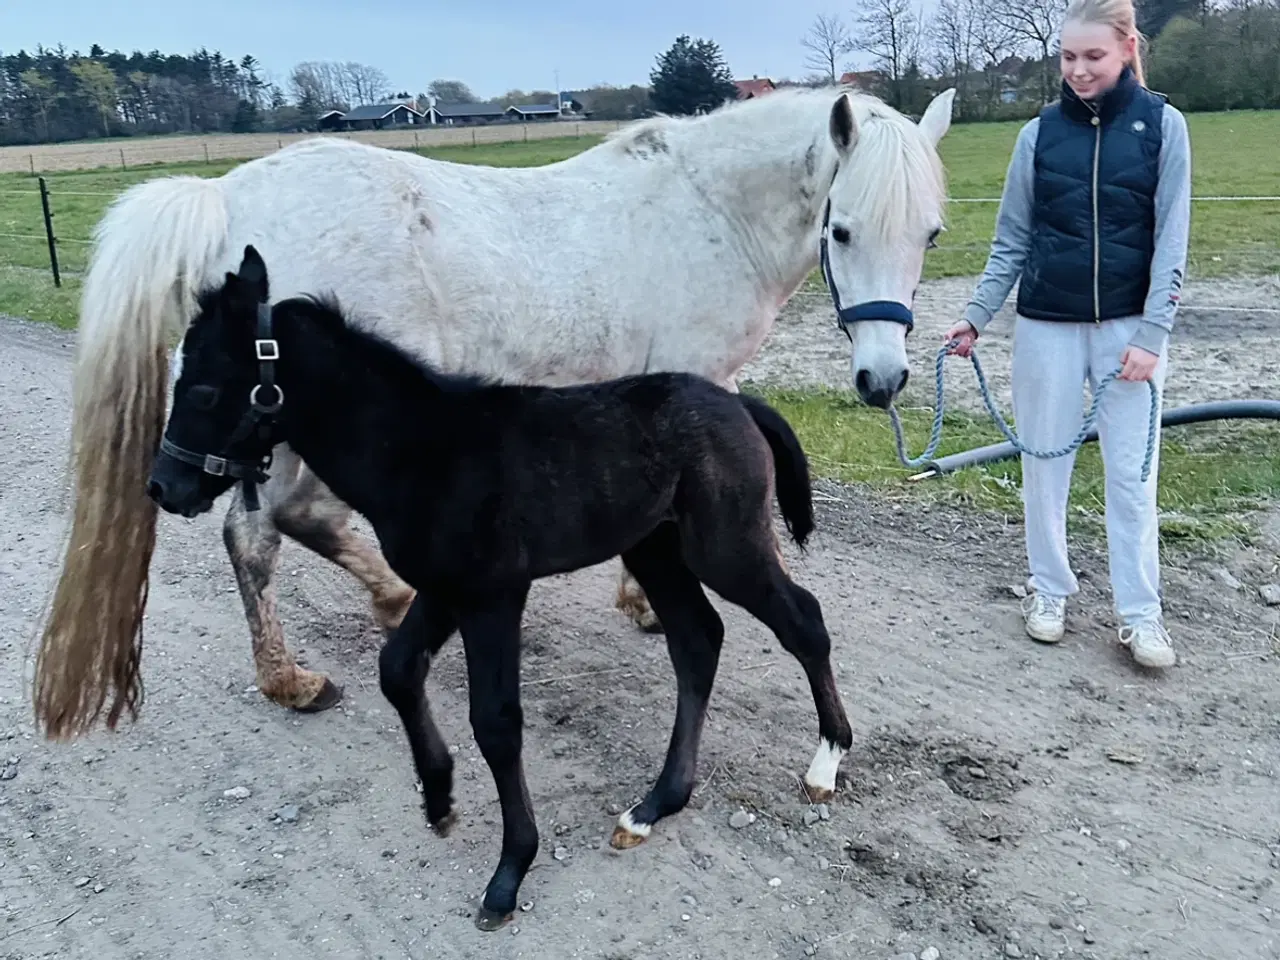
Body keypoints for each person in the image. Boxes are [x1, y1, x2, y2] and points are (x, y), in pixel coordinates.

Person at [944, 0, 1192, 669]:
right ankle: (1049, 591)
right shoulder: (1038, 135)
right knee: (1044, 467)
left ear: (1127, 50)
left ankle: (1141, 615)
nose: (1078, 70)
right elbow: (1010, 243)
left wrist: (1153, 334)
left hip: (1129, 337)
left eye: (1093, 57)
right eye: (1068, 57)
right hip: (1045, 328)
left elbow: (1172, 243)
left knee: (1133, 481)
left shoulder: (1163, 127)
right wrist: (975, 315)